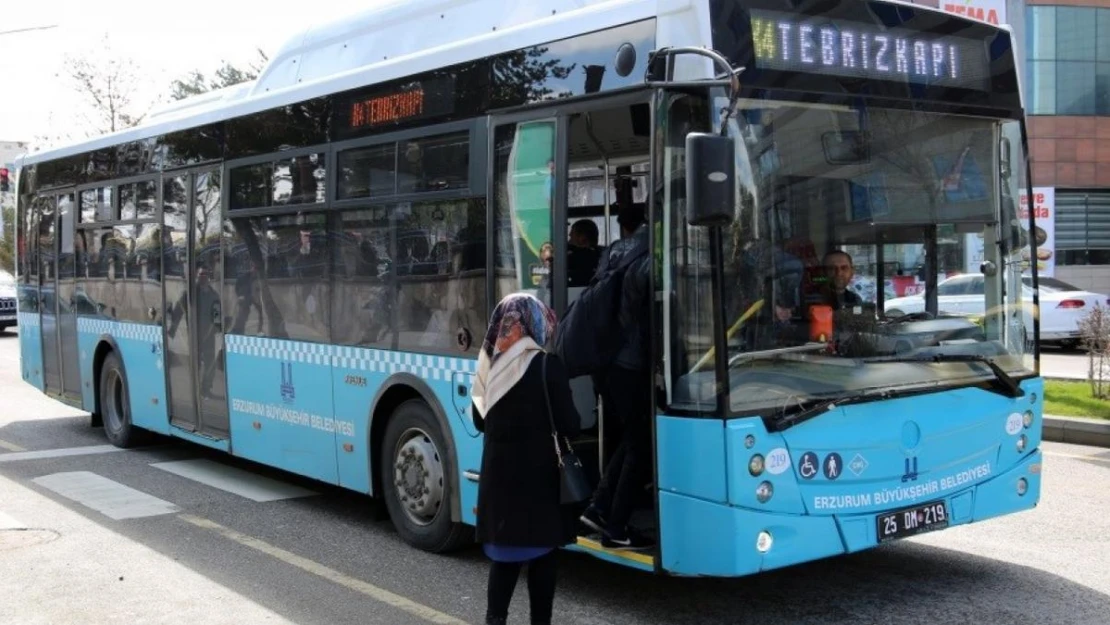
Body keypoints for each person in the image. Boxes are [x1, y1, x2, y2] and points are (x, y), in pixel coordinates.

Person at [471, 293, 581, 625]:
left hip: (500, 484)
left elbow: (479, 421)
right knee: (543, 557)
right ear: (534, 323)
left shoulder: (489, 367)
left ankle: (495, 620)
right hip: (539, 484)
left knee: (504, 562)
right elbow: (571, 425)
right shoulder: (548, 365)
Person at [578, 204, 654, 551]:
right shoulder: (651, 256)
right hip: (629, 362)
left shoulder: (615, 251)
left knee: (633, 435)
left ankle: (599, 507)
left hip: (603, 361)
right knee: (641, 444)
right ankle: (616, 528)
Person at [566, 219, 601, 287]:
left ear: (582, 238)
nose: (569, 240)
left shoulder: (574, 259)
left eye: (572, 236)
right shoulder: (602, 255)